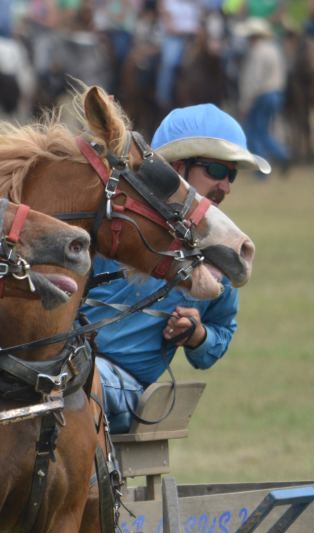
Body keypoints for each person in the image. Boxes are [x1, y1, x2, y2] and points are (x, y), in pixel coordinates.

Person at [83, 104, 269, 434]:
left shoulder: (219, 258)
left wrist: (198, 335)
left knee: (76, 381)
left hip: (122, 388)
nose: (225, 186)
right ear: (177, 169)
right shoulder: (116, 225)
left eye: (232, 176)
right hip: (68, 364)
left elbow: (221, 330)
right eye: (216, 170)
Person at [238, 18, 288, 172]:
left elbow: (253, 80)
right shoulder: (274, 49)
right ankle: (283, 155)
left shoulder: (257, 52)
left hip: (262, 96)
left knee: (255, 132)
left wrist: (245, 104)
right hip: (276, 94)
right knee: (263, 131)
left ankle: (265, 168)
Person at [156, 0, 203, 110]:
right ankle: (163, 97)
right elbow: (169, 26)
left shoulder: (194, 3)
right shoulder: (167, 2)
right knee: (169, 63)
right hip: (174, 38)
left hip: (192, 39)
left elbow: (199, 22)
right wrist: (187, 30)